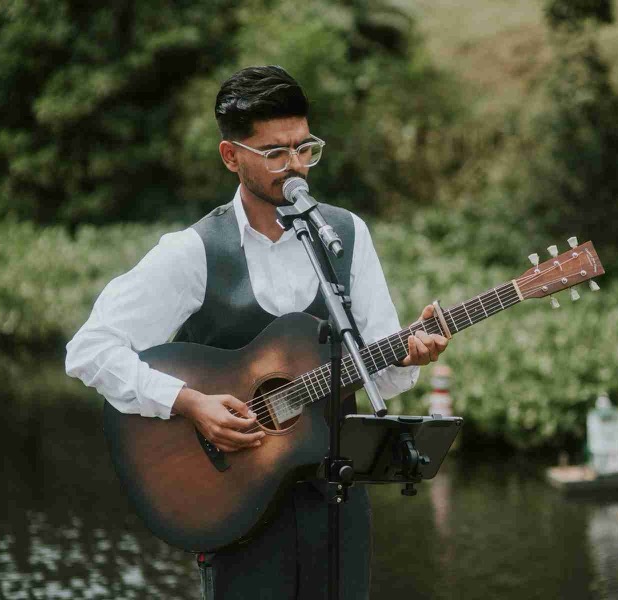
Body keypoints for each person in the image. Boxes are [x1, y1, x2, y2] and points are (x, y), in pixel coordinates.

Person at [64, 65, 449, 599]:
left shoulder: (345, 235)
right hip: (234, 504)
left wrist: (408, 356)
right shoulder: (194, 251)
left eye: (304, 148)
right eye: (275, 153)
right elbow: (90, 349)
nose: (295, 168)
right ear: (231, 156)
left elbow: (375, 373)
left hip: (335, 501)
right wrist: (188, 401)